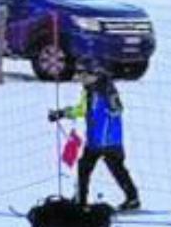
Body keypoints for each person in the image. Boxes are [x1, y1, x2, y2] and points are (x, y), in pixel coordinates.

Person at [53, 61, 140, 212]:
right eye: (79, 74)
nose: (80, 78)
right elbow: (81, 110)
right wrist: (62, 113)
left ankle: (83, 201)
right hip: (95, 140)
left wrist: (114, 105)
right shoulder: (88, 91)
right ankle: (130, 198)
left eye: (83, 75)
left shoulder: (106, 90)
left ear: (94, 75)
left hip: (107, 140)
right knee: (97, 168)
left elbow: (117, 109)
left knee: (98, 167)